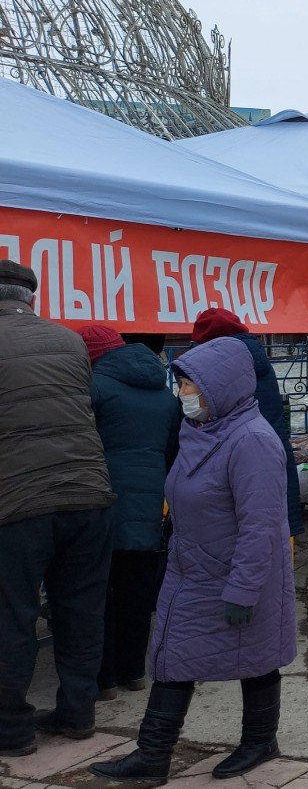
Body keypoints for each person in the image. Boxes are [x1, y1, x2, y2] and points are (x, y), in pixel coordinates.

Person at [92, 337, 296, 782]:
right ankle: (153, 755)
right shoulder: (202, 430)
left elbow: (261, 526)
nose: (182, 392)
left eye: (188, 384)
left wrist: (243, 590)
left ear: (219, 386)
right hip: (192, 567)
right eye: (182, 382)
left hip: (237, 574)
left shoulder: (253, 441)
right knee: (174, 658)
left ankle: (259, 740)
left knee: (254, 657)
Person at [0, 261, 114, 758]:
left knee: (12, 616)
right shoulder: (69, 341)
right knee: (80, 611)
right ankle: (77, 713)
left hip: (19, 502)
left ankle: (11, 730)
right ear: (32, 298)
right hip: (88, 494)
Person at [78, 326, 180, 701]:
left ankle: (104, 680)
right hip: (148, 505)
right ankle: (134, 672)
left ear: (91, 356)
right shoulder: (165, 395)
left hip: (100, 501)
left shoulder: (95, 390)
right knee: (137, 593)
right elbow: (174, 453)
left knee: (98, 595)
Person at [190, 309, 302, 537]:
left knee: (252, 535)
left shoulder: (223, 366)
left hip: (245, 460)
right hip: (271, 451)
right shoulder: (255, 356)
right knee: (273, 528)